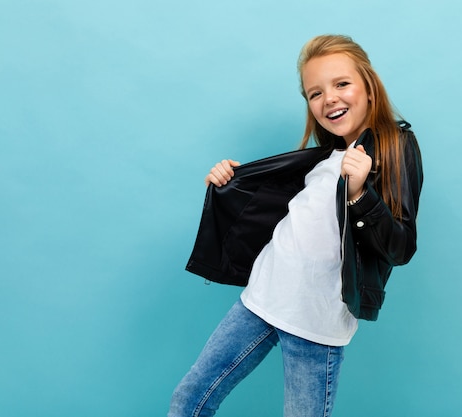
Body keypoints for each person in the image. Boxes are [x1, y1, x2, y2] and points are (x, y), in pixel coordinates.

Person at [168, 34, 423, 417]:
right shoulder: (325, 157)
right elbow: (279, 212)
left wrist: (360, 194)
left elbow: (400, 247)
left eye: (342, 84)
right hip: (261, 298)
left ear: (369, 86)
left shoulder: (395, 147)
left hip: (315, 323)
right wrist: (230, 181)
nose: (329, 99)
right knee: (188, 400)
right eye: (315, 93)